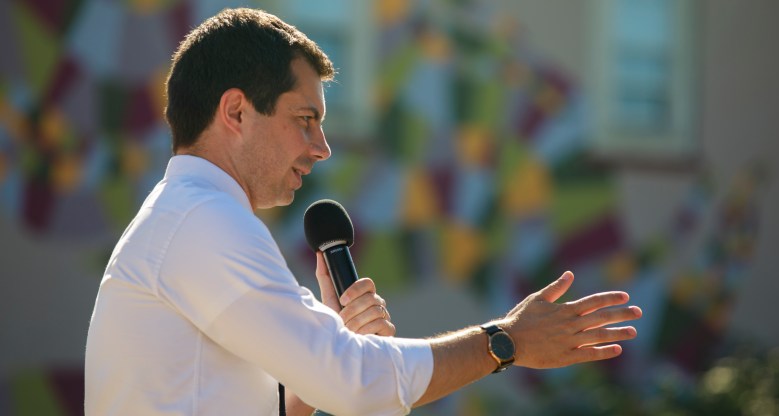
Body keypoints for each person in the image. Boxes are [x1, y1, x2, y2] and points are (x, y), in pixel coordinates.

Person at [84, 7, 642, 416]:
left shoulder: (190, 217)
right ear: (235, 111)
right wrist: (506, 341)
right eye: (305, 118)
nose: (321, 147)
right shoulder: (204, 223)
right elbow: (354, 386)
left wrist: (325, 350)